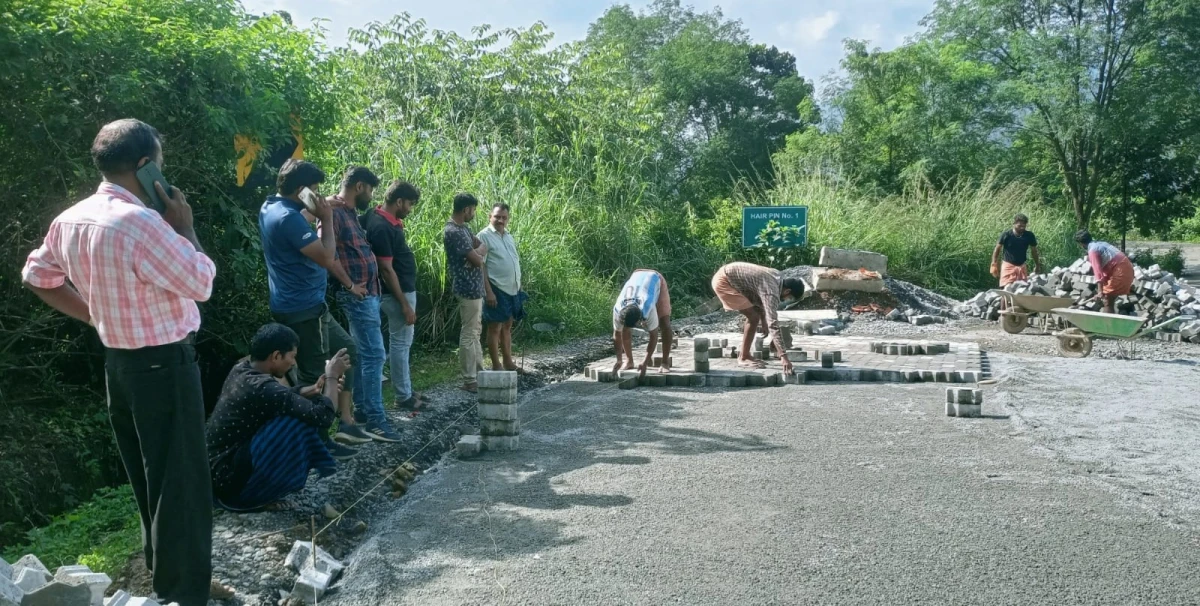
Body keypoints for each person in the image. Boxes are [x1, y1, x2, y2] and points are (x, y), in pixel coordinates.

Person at [21, 119, 225, 605]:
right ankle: (184, 594)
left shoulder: (71, 218)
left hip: (120, 366)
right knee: (181, 484)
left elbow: (37, 275)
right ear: (145, 165)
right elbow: (202, 282)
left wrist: (94, 316)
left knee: (149, 481)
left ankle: (169, 581)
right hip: (164, 365)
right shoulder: (143, 224)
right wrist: (187, 227)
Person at [258, 159, 373, 450]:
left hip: (310, 306)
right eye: (315, 191)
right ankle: (317, 441)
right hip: (303, 310)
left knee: (349, 350)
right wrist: (327, 217)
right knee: (315, 374)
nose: (319, 195)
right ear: (301, 190)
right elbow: (326, 256)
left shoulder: (272, 207)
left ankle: (345, 422)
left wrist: (319, 209)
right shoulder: (288, 218)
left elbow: (297, 225)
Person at [207, 324, 350, 512]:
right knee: (298, 421)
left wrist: (315, 390)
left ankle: (261, 488)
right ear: (276, 356)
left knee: (296, 413)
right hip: (229, 486)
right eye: (291, 356)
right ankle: (255, 497)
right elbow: (323, 418)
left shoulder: (242, 370)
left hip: (217, 477)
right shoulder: (262, 387)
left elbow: (281, 398)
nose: (293, 362)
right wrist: (331, 377)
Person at [325, 166, 402, 442]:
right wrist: (349, 285)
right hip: (357, 296)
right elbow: (328, 254)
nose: (371, 196)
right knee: (374, 355)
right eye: (370, 190)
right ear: (360, 186)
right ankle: (376, 421)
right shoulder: (332, 212)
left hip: (368, 294)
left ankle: (363, 414)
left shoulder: (349, 213)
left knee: (365, 353)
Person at [362, 180, 430, 411]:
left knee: (399, 344)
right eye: (409, 204)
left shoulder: (376, 214)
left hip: (394, 292)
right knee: (401, 345)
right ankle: (403, 397)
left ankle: (406, 389)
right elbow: (386, 269)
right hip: (396, 294)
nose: (410, 209)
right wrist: (405, 305)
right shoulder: (382, 227)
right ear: (399, 201)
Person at [710, 262, 805, 374]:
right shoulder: (772, 292)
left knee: (755, 315)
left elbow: (759, 299)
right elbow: (773, 325)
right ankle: (744, 357)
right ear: (787, 291)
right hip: (724, 281)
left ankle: (746, 355)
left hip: (731, 276)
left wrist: (764, 320)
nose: (786, 300)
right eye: (789, 298)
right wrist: (784, 357)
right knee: (753, 317)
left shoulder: (776, 277)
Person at [443, 193, 489, 392]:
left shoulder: (463, 229)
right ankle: (470, 379)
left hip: (475, 288)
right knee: (469, 333)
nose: (474, 214)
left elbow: (482, 246)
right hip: (467, 288)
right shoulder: (454, 231)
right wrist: (478, 254)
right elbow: (478, 259)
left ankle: (479, 373)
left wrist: (477, 252)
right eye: (473, 210)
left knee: (475, 332)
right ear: (466, 209)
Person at [479, 203, 528, 372]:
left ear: (508, 219)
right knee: (494, 327)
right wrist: (489, 292)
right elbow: (481, 266)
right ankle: (496, 365)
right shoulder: (483, 236)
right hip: (496, 288)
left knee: (507, 325)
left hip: (512, 288)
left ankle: (508, 362)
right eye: (497, 217)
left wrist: (518, 284)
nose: (500, 220)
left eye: (504, 217)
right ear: (490, 216)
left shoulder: (508, 236)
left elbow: (513, 261)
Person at [611, 270, 673, 377]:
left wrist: (645, 362)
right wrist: (618, 359)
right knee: (624, 329)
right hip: (637, 275)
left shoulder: (648, 307)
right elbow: (617, 335)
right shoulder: (618, 310)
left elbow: (653, 336)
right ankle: (629, 361)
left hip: (654, 278)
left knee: (665, 323)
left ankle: (665, 362)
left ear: (640, 320)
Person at [1076, 230, 1135, 314]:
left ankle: (1107, 326)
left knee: (1107, 299)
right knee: (1108, 297)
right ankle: (1111, 323)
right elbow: (1108, 268)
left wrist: (1100, 292)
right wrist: (1102, 290)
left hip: (1121, 271)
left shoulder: (1093, 251)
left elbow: (1098, 273)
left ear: (1081, 244)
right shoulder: (1101, 244)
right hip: (1127, 269)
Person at [991, 213, 1043, 286]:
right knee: (1006, 288)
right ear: (1014, 224)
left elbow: (1034, 251)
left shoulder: (1029, 235)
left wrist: (1037, 265)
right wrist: (994, 264)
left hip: (1021, 266)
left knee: (1021, 291)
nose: (1022, 228)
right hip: (1008, 266)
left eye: (1024, 226)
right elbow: (997, 249)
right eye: (1019, 226)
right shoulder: (1006, 235)